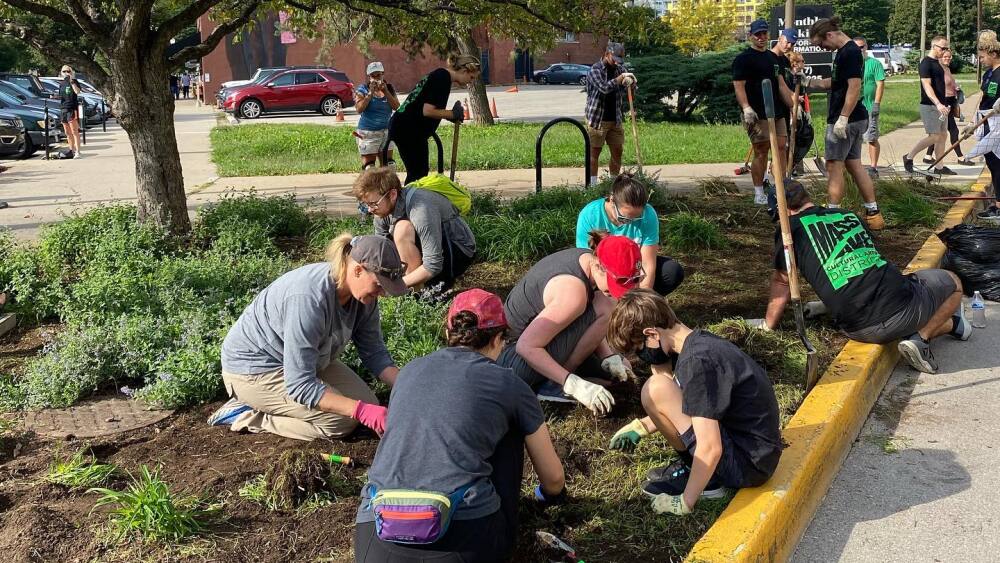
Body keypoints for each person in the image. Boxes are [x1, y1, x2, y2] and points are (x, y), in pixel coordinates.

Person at [354, 289, 566, 562]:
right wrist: (548, 497)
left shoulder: (408, 373)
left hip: (377, 534)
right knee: (509, 423)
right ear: (499, 339)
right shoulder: (508, 383)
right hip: (462, 537)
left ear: (447, 332)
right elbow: (554, 479)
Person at [207, 234, 409, 441]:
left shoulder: (364, 297)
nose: (383, 293)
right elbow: (300, 384)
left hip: (303, 362)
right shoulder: (309, 299)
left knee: (370, 403)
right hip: (255, 370)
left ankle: (273, 403)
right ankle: (249, 414)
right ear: (357, 270)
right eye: (379, 285)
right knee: (341, 421)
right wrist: (359, 411)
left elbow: (374, 353)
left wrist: (409, 386)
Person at [756, 181, 970, 374]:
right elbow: (863, 266)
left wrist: (769, 325)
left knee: (951, 284)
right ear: (807, 197)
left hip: (858, 328)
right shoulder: (849, 216)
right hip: (900, 307)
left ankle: (929, 334)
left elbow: (782, 281)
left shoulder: (790, 231)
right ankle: (927, 334)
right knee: (953, 281)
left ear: (783, 211)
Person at [605, 289, 783, 515]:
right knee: (660, 386)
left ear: (652, 334)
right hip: (758, 453)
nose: (641, 356)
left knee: (656, 388)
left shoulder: (696, 362)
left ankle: (709, 482)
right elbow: (695, 405)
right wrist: (642, 427)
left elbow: (710, 447)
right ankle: (699, 471)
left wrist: (685, 502)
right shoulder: (699, 344)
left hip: (748, 466)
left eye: (639, 349)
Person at [496, 233, 641, 414]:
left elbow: (588, 318)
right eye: (616, 283)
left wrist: (607, 356)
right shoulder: (573, 293)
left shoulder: (586, 259)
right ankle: (552, 386)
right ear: (598, 266)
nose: (617, 291)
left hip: (541, 341)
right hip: (513, 361)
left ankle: (569, 373)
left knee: (618, 367)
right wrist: (572, 383)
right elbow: (526, 347)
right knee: (608, 303)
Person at [800, 17, 884, 231]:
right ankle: (873, 212)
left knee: (833, 166)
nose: (823, 48)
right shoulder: (844, 53)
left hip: (846, 119)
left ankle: (833, 214)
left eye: (821, 44)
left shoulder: (849, 52)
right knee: (854, 163)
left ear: (829, 35)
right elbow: (836, 82)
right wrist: (809, 82)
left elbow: (854, 87)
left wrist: (843, 118)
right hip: (856, 118)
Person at [353, 166, 475, 290]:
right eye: (366, 205)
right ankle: (414, 285)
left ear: (393, 194)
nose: (369, 209)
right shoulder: (380, 210)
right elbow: (381, 253)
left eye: (373, 204)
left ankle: (418, 292)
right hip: (429, 246)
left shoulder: (420, 209)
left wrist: (395, 287)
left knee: (402, 229)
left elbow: (433, 265)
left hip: (458, 250)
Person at [574, 172, 684, 295]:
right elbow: (590, 262)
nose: (629, 223)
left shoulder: (648, 214)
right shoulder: (590, 215)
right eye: (624, 218)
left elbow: (647, 263)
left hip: (634, 269)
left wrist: (643, 297)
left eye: (636, 218)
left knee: (671, 271)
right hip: (604, 271)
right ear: (611, 200)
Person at [387, 56, 478, 185]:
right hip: (407, 129)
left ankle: (410, 201)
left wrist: (448, 115)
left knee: (419, 173)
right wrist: (452, 114)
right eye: (472, 77)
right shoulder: (442, 78)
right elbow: (427, 111)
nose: (471, 82)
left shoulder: (441, 75)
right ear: (464, 71)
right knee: (417, 174)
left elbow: (426, 107)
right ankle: (408, 202)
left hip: (408, 128)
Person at [732, 19, 795, 205]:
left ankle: (779, 187)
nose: (761, 37)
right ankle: (759, 191)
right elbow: (738, 86)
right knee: (762, 150)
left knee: (781, 147)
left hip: (776, 110)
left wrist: (793, 106)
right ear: (751, 36)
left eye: (764, 34)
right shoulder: (743, 59)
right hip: (756, 112)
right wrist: (746, 107)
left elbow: (782, 85)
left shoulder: (773, 58)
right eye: (757, 34)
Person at [902, 37, 956, 176]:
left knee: (943, 135)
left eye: (946, 48)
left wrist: (945, 103)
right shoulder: (926, 63)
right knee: (934, 136)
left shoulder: (937, 63)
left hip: (941, 106)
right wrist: (937, 103)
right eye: (942, 48)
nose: (945, 51)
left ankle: (939, 166)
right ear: (934, 46)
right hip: (930, 106)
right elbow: (927, 86)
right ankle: (908, 157)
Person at [585, 42, 636, 186]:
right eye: (614, 59)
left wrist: (631, 84)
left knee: (617, 151)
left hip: (616, 119)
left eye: (619, 60)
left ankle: (613, 185)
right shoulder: (595, 70)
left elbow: (629, 92)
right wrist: (618, 80)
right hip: (597, 120)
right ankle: (592, 186)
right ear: (607, 54)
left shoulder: (620, 69)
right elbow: (604, 88)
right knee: (594, 153)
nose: (617, 63)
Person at [925, 50, 974, 167]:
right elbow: (933, 87)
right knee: (953, 131)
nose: (948, 58)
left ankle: (927, 156)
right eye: (945, 56)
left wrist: (956, 88)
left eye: (950, 56)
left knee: (937, 132)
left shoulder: (947, 69)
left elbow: (949, 84)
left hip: (951, 102)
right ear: (940, 57)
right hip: (943, 104)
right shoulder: (938, 70)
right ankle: (960, 157)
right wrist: (939, 104)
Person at [972, 31, 1000, 222]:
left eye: (982, 57)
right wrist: (972, 123)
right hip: (985, 121)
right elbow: (983, 97)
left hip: (997, 123)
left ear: (993, 54)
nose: (980, 60)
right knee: (991, 161)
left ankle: (999, 207)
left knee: (997, 163)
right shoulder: (989, 74)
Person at [355, 62, 400, 170]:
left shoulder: (388, 88)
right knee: (370, 168)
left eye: (378, 75)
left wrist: (386, 91)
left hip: (386, 132)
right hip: (368, 133)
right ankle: (371, 187)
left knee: (389, 166)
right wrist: (370, 93)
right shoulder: (362, 89)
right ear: (369, 77)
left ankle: (387, 187)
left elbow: (397, 107)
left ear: (383, 74)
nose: (376, 78)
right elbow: (359, 109)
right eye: (373, 76)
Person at [854, 37, 886, 178]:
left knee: (871, 137)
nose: (860, 50)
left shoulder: (874, 64)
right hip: (854, 107)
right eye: (857, 47)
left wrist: (876, 104)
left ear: (866, 47)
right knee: (854, 138)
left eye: (862, 47)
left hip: (868, 105)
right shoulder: (852, 64)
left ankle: (873, 167)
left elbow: (880, 84)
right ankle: (856, 166)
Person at [58, 65, 82, 159]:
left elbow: (77, 91)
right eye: (64, 71)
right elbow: (61, 96)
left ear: (71, 72)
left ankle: (78, 152)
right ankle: (71, 150)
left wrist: (72, 80)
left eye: (68, 71)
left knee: (74, 131)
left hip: (72, 109)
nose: (66, 73)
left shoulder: (74, 81)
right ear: (61, 73)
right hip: (63, 109)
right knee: (67, 132)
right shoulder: (62, 83)